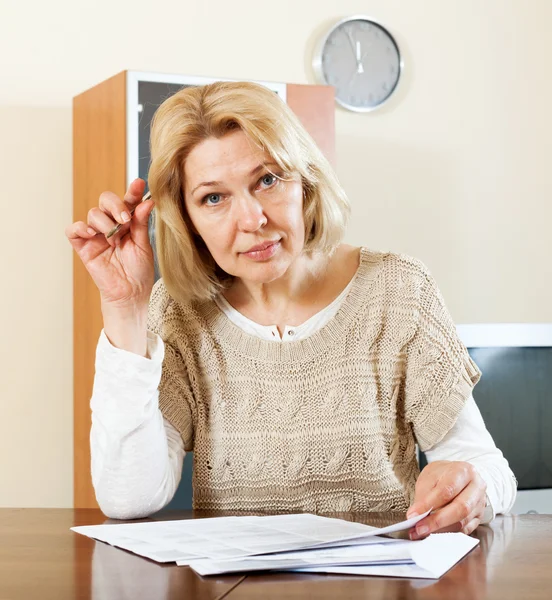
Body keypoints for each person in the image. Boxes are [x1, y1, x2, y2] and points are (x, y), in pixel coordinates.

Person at [65, 81, 517, 539]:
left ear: (305, 181)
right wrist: (125, 308)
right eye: (213, 198)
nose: (252, 220)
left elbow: (485, 464)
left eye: (267, 180)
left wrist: (474, 486)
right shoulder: (179, 316)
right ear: (187, 220)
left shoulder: (398, 290)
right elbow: (129, 498)